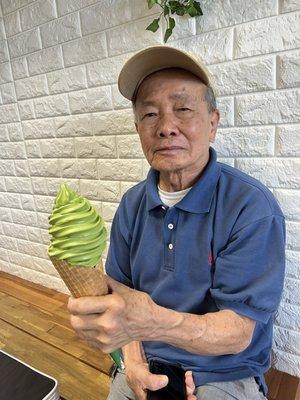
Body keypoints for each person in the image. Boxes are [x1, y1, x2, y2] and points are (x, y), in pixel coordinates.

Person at [67, 45, 286, 400]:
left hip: (223, 371)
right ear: (138, 128)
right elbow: (120, 295)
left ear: (212, 123)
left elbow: (237, 333)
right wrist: (131, 364)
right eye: (151, 115)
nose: (166, 127)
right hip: (145, 361)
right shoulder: (131, 204)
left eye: (183, 109)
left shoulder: (250, 206)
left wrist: (152, 319)